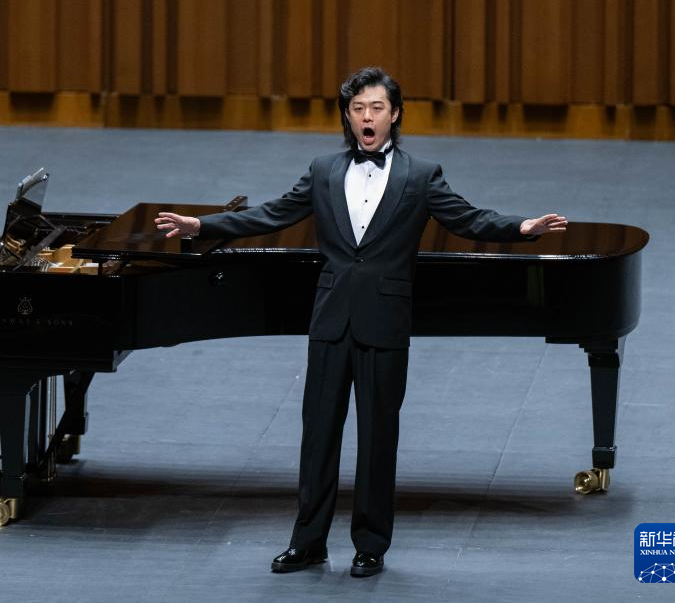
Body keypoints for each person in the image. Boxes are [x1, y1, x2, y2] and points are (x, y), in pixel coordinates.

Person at [155, 67, 567, 577]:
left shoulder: (421, 175)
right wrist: (202, 225)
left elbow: (468, 218)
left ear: (395, 114)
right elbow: (272, 214)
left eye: (376, 108)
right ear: (347, 117)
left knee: (377, 438)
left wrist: (522, 227)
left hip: (384, 321)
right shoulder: (324, 169)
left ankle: (370, 545)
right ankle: (308, 542)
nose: (366, 117)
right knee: (318, 435)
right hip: (331, 320)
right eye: (357, 109)